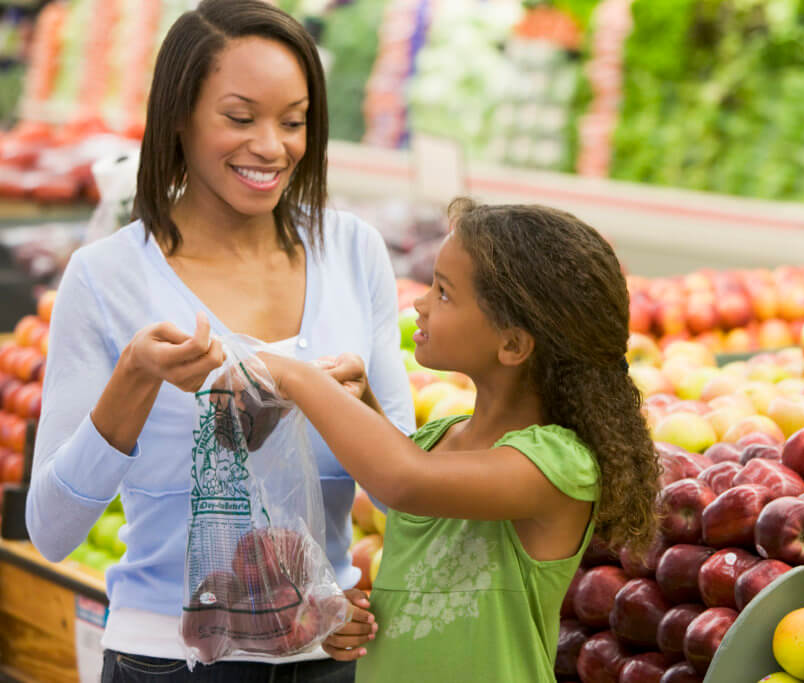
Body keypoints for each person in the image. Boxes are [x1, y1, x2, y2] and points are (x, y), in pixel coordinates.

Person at [26, 1, 414, 681]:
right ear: (178, 115)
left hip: (324, 659)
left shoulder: (353, 251)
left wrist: (359, 408)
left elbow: (404, 499)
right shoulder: (108, 275)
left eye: (294, 122)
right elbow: (51, 531)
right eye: (240, 118)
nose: (272, 146)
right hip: (167, 661)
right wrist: (134, 379)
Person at [257, 198, 661, 682]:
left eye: (444, 293)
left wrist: (299, 378)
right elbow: (399, 491)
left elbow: (406, 481)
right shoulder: (438, 437)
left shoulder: (557, 465)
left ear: (512, 345)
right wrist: (347, 618)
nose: (421, 304)